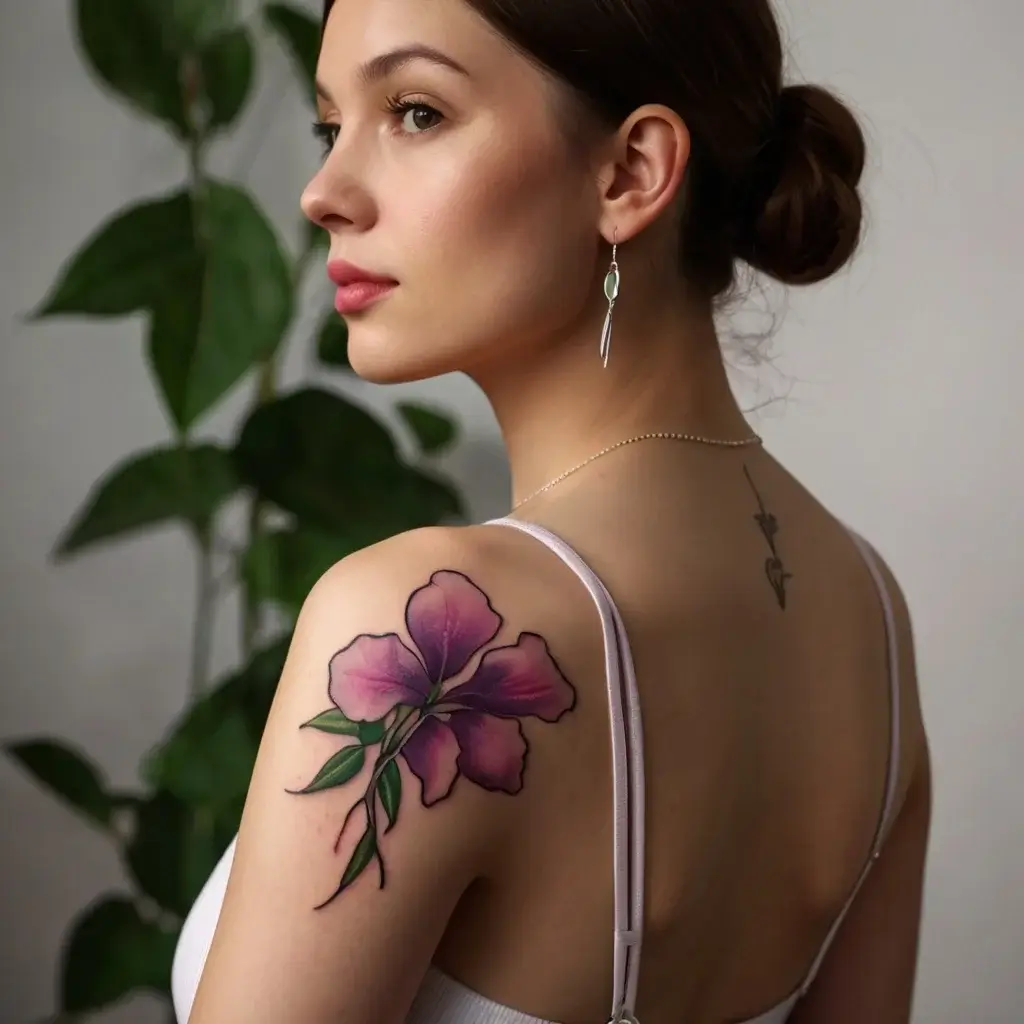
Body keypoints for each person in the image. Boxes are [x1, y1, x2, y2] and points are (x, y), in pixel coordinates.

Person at [171, 0, 931, 1021]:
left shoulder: (424, 622)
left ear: (630, 173)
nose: (323, 193)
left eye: (414, 112)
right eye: (329, 125)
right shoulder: (869, 617)